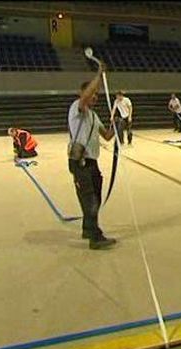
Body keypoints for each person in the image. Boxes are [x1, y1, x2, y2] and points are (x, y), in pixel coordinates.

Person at [68, 63, 117, 250]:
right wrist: (99, 74)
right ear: (83, 94)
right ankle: (95, 238)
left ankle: (88, 229)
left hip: (91, 162)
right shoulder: (77, 109)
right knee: (89, 199)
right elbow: (86, 95)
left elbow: (106, 135)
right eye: (92, 94)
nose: (94, 97)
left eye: (97, 95)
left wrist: (117, 127)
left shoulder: (94, 116)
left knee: (95, 195)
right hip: (79, 162)